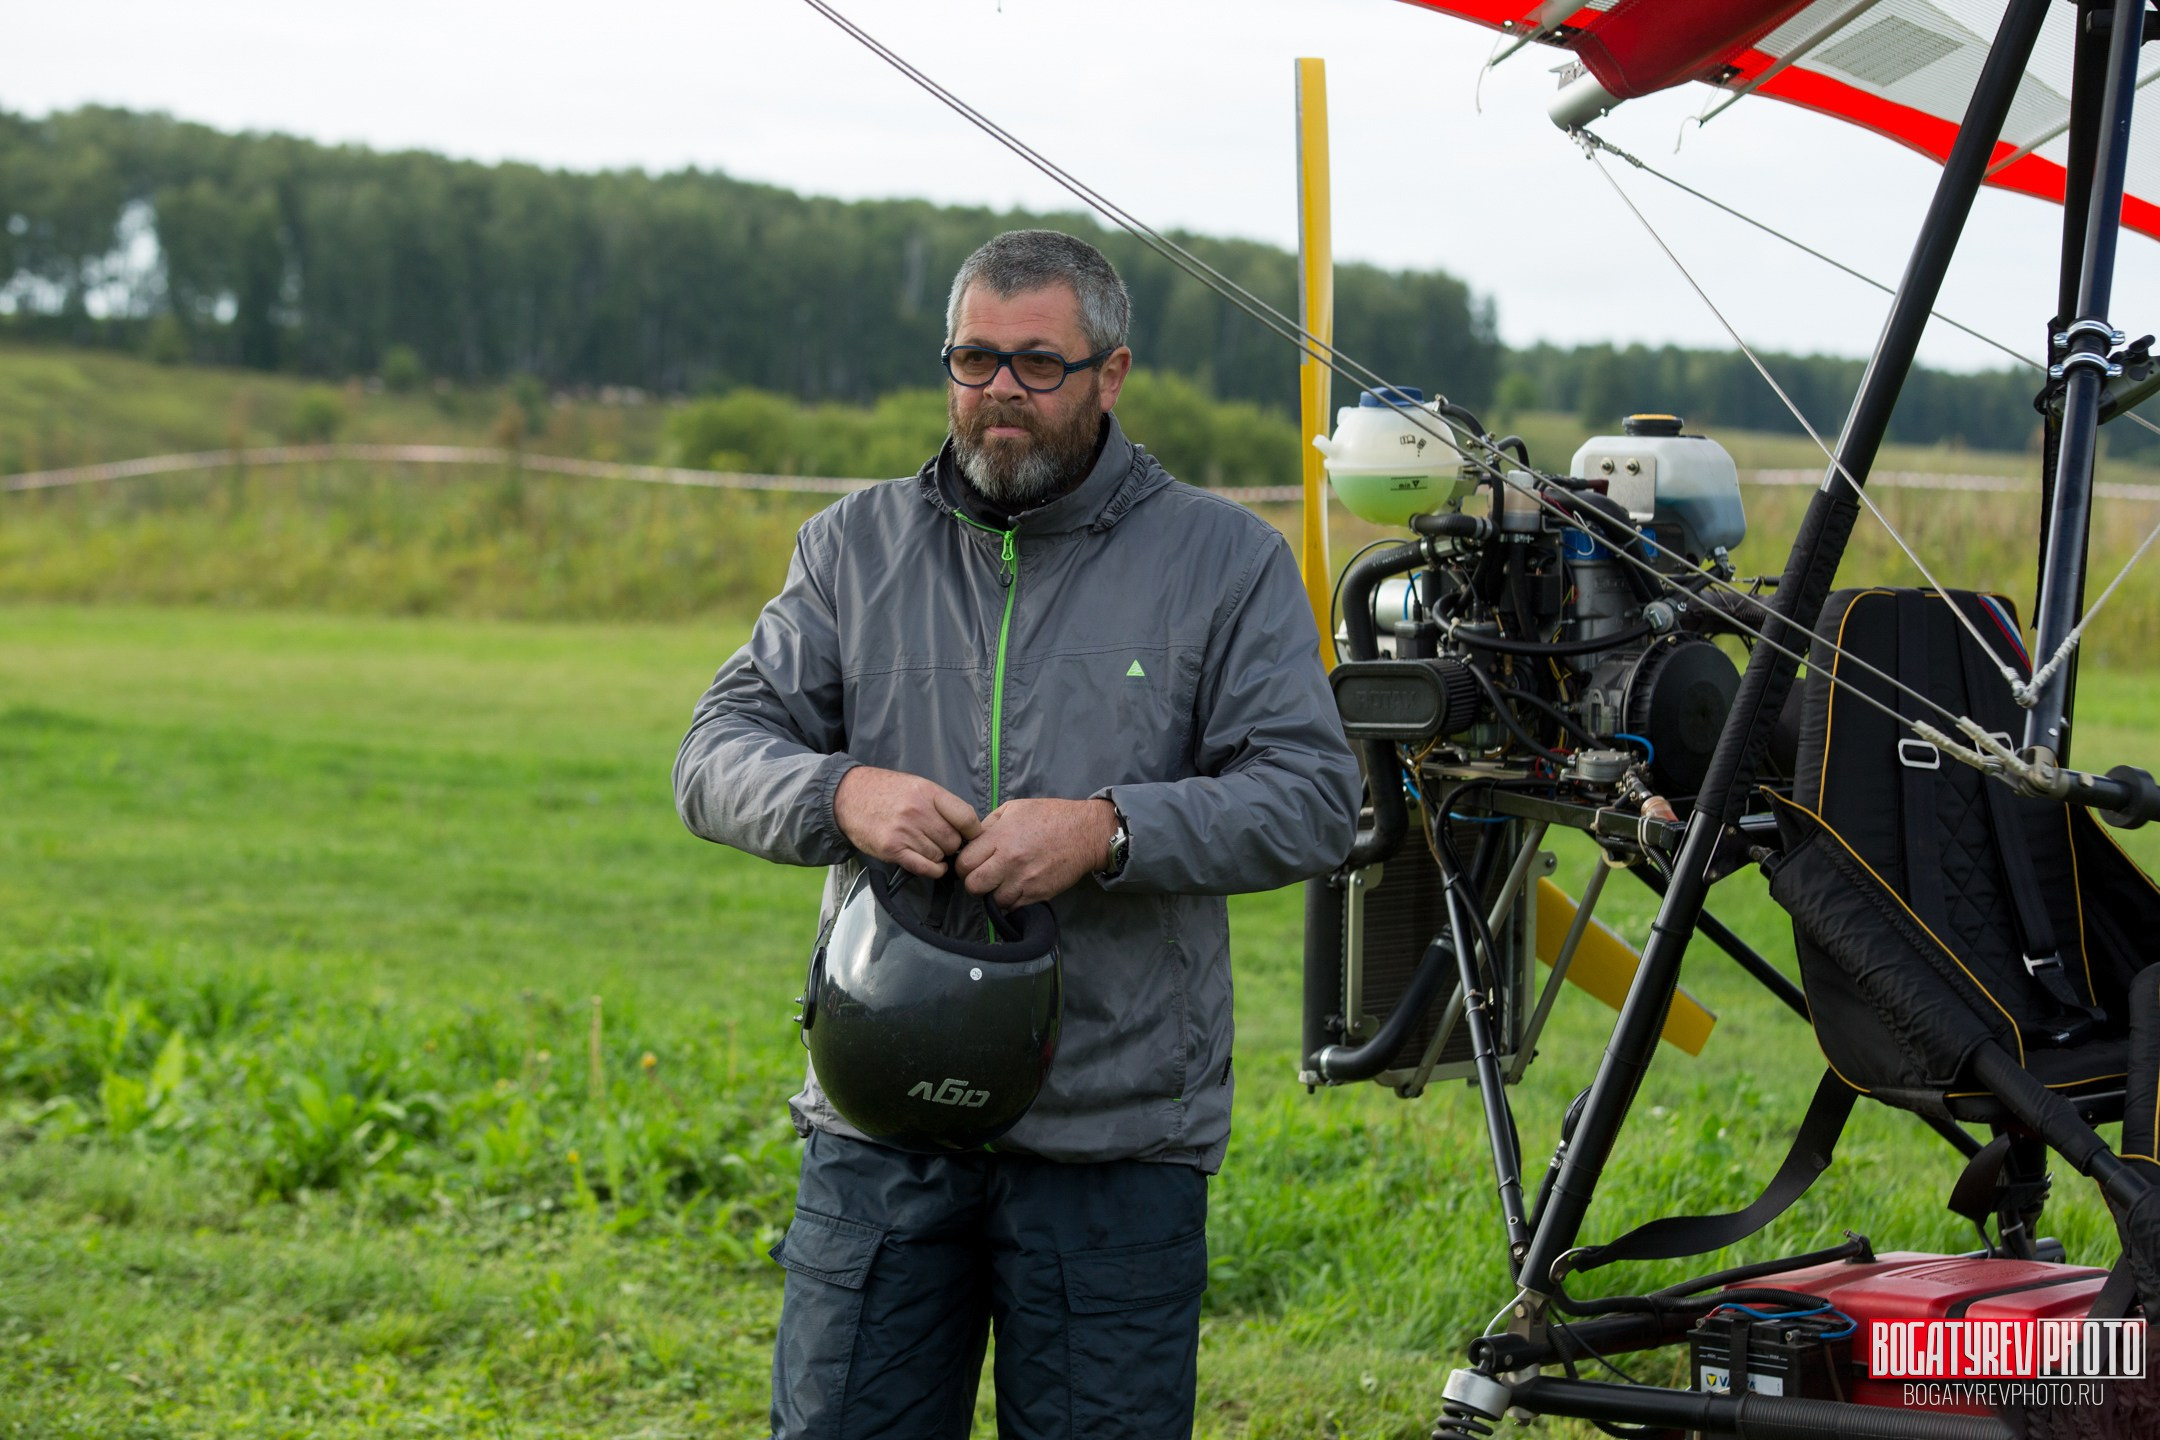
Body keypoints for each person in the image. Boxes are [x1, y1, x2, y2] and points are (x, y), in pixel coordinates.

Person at [674, 229, 1360, 1439]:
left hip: (1116, 1132)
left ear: (1110, 372)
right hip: (880, 1122)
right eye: (974, 358)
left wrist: (1112, 831)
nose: (1000, 391)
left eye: (1038, 364)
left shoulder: (1225, 561)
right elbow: (714, 754)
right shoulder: (851, 548)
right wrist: (842, 795)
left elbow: (1312, 795)